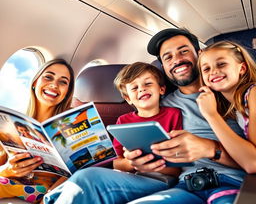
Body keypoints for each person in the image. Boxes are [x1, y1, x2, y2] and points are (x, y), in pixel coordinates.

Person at [44, 29, 246, 204]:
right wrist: (134, 163)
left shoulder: (233, 93)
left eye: (184, 51)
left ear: (199, 54)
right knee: (86, 179)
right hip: (187, 185)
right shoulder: (160, 107)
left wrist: (211, 149)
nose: (176, 59)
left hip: (234, 182)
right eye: (167, 57)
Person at [0, 58, 75, 203]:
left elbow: (75, 170)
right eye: (48, 77)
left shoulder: (69, 124)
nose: (54, 85)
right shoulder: (10, 122)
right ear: (35, 83)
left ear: (67, 92)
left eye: (63, 82)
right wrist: (7, 170)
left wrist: (51, 196)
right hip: (9, 180)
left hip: (43, 189)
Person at [196, 40, 256, 173]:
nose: (214, 71)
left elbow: (253, 163)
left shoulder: (254, 93)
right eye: (206, 68)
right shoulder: (237, 105)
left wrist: (211, 115)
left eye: (221, 64)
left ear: (242, 69)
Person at [112, 62, 182, 175]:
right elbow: (116, 163)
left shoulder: (174, 114)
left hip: (165, 177)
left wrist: (151, 166)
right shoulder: (123, 121)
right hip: (133, 176)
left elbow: (178, 168)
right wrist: (132, 163)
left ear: (161, 89)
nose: (141, 89)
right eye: (134, 87)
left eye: (148, 83)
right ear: (128, 98)